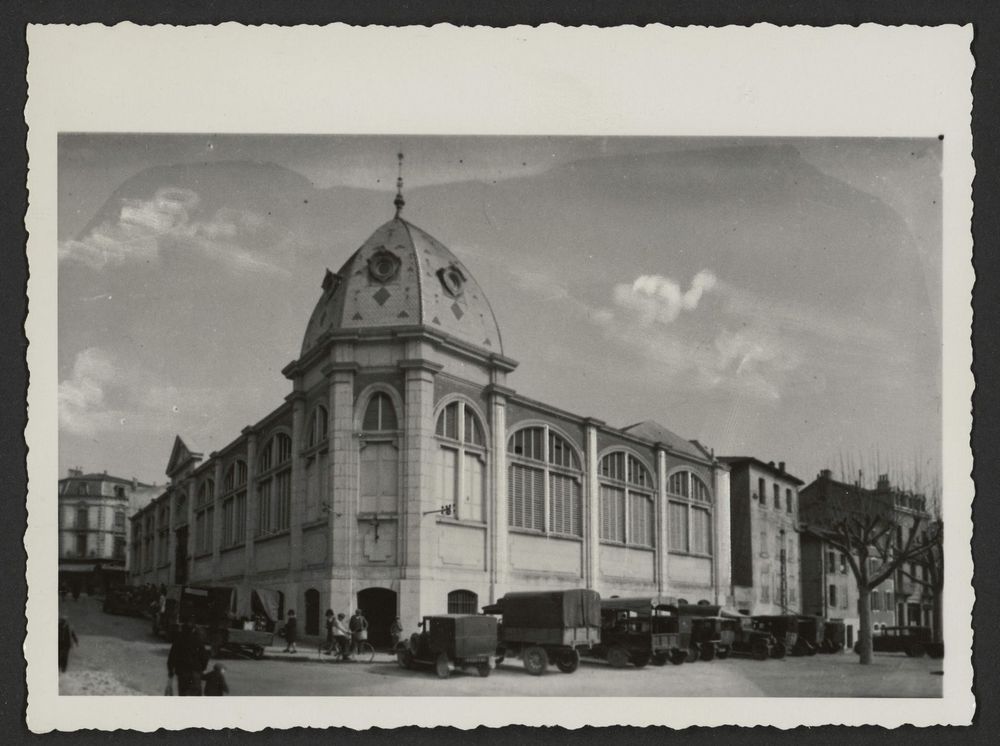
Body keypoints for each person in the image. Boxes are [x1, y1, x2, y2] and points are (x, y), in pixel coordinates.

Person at [167, 619, 210, 696]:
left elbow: (172, 657)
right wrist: (202, 669)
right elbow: (205, 657)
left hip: (183, 673)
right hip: (196, 673)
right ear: (193, 629)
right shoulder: (198, 640)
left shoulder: (178, 640)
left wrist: (171, 671)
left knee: (183, 694)